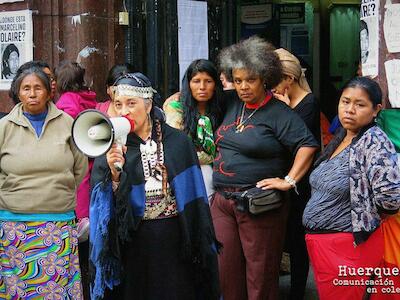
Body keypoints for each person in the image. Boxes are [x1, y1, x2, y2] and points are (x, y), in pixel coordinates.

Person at [90, 72, 220, 300]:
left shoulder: (178, 142)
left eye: (131, 103)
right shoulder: (110, 146)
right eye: (118, 104)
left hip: (174, 238)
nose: (124, 111)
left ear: (148, 105)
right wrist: (115, 174)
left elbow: (193, 199)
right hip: (132, 241)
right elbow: (103, 210)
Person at [213, 36, 319, 300]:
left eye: (250, 79)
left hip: (259, 203)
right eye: (238, 81)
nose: (244, 87)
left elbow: (307, 145)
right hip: (223, 201)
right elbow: (194, 91)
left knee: (260, 276)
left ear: (265, 77)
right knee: (226, 273)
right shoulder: (230, 103)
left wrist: (289, 180)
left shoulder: (278, 113)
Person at [303, 77, 400, 299]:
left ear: (376, 110)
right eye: (345, 102)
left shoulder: (374, 141)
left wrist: (366, 216)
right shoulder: (342, 138)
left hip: (349, 247)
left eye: (360, 104)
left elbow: (390, 198)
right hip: (323, 244)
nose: (350, 110)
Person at [0, 65, 87, 299]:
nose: (32, 93)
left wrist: (57, 193)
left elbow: (79, 168)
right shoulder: (4, 127)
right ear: (17, 93)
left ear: (49, 92)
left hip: (57, 226)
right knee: (17, 291)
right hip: (14, 229)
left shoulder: (68, 123)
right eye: (26, 88)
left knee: (56, 290)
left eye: (38, 88)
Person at [272, 47, 321, 299]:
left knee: (297, 240)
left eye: (274, 80)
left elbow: (299, 141)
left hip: (300, 182)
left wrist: (284, 111)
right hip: (280, 177)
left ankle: (297, 292)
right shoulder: (286, 102)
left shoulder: (308, 103)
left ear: (289, 80)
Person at [163, 59, 224, 197]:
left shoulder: (222, 107)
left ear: (215, 84)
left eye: (208, 81)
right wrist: (214, 157)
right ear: (188, 84)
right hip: (186, 171)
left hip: (221, 175)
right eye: (196, 81)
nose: (202, 87)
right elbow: (180, 151)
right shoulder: (176, 109)